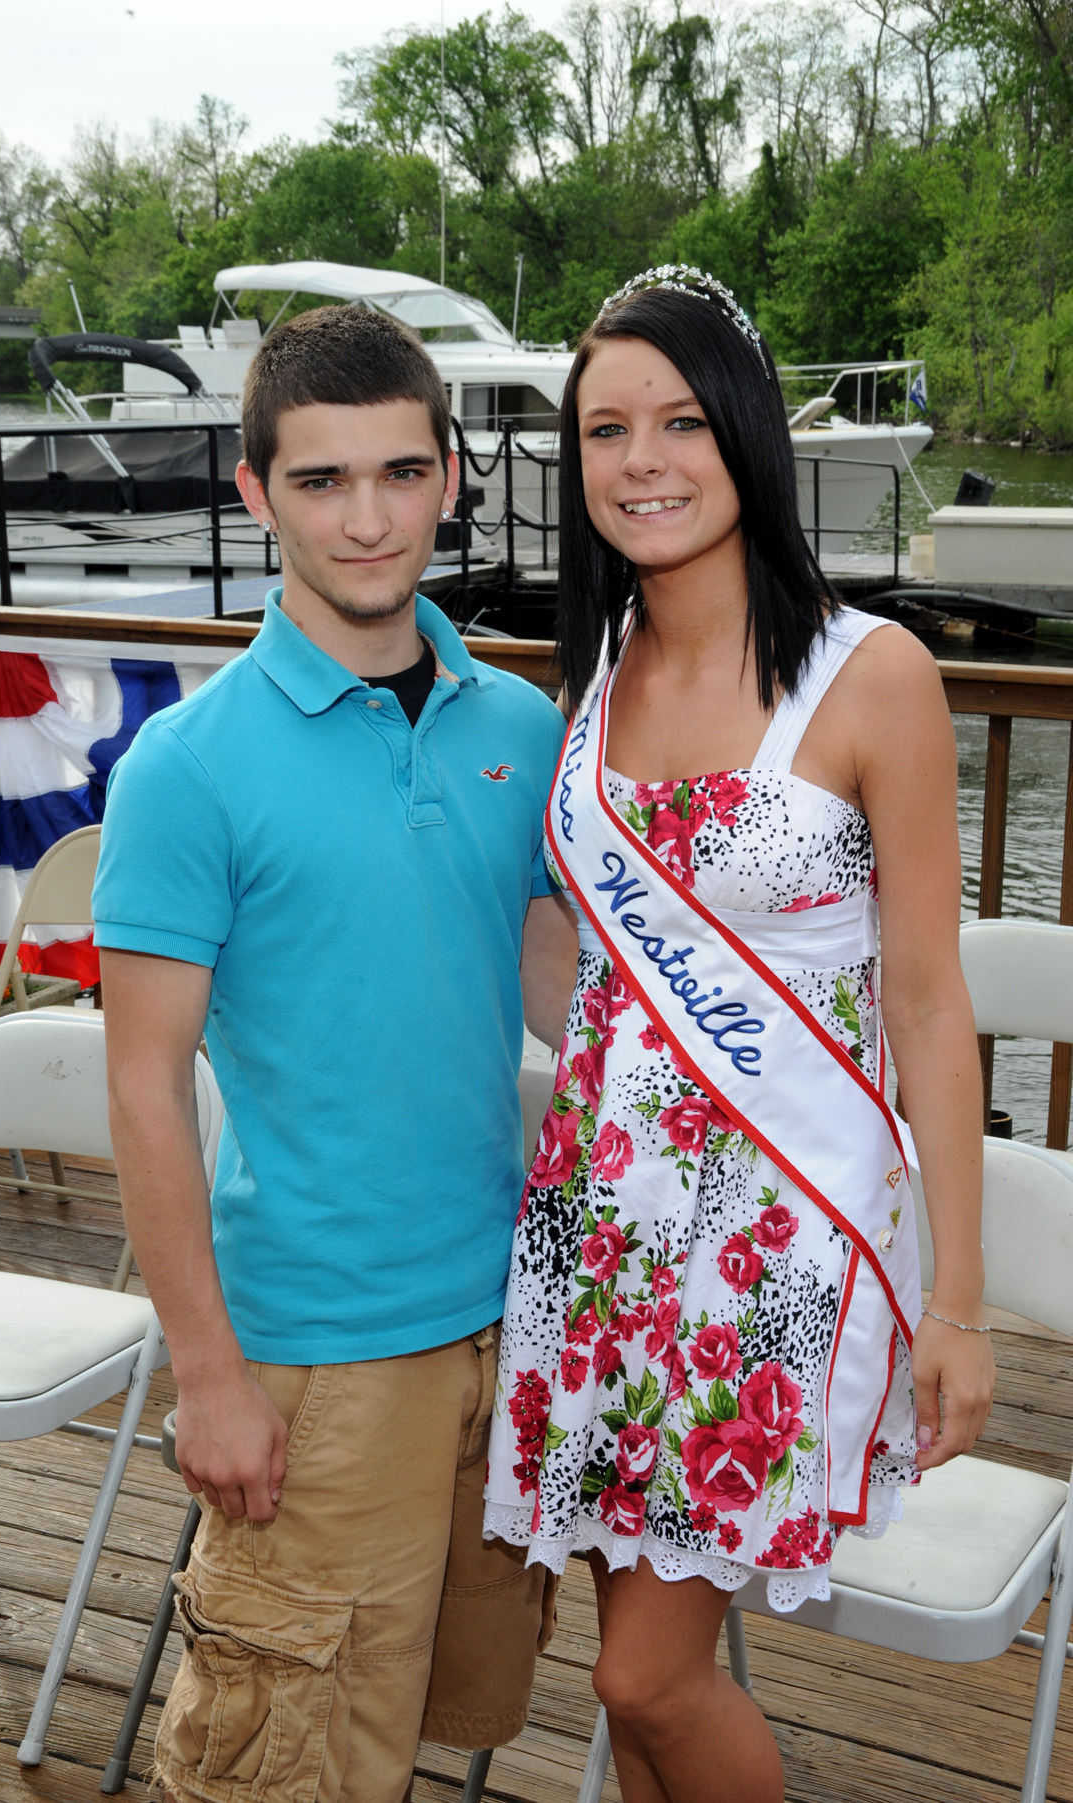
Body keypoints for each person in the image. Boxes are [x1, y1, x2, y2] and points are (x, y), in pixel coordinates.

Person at [483, 266, 996, 1803]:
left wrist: (959, 1304)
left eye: (682, 421)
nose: (641, 460)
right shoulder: (594, 673)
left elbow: (927, 1002)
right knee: (635, 1694)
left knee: (650, 1671)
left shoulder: (874, 674)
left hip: (776, 1237)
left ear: (749, 434)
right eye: (605, 431)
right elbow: (579, 961)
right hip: (599, 1232)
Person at [91, 303, 577, 1803]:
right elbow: (144, 1086)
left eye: (399, 473)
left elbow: (573, 1001)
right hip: (314, 1354)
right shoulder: (189, 766)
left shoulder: (522, 723)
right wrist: (208, 1372)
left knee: (447, 1715)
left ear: (449, 475)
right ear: (256, 492)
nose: (367, 520)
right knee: (288, 1765)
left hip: (503, 1325)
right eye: (319, 480)